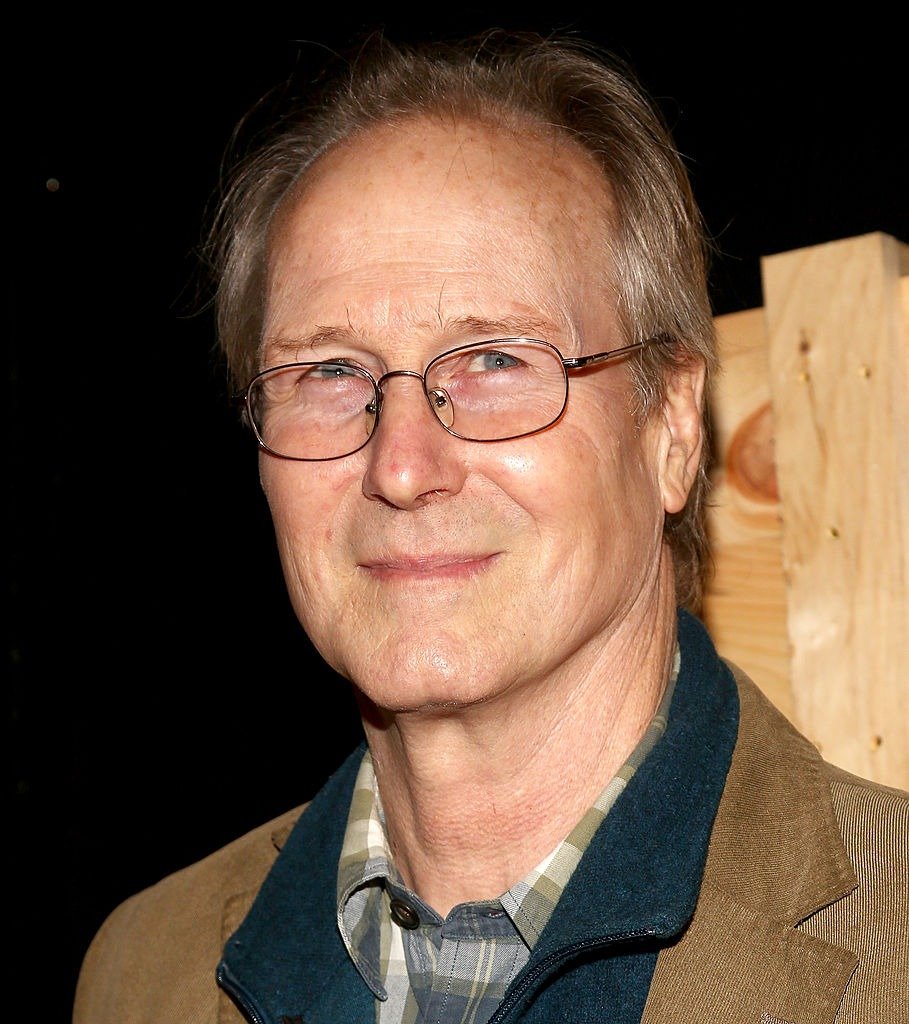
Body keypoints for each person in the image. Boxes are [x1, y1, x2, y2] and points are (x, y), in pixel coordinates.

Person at [72, 31, 908, 1024]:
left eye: (496, 359)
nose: (402, 465)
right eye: (329, 373)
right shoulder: (141, 971)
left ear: (672, 425)